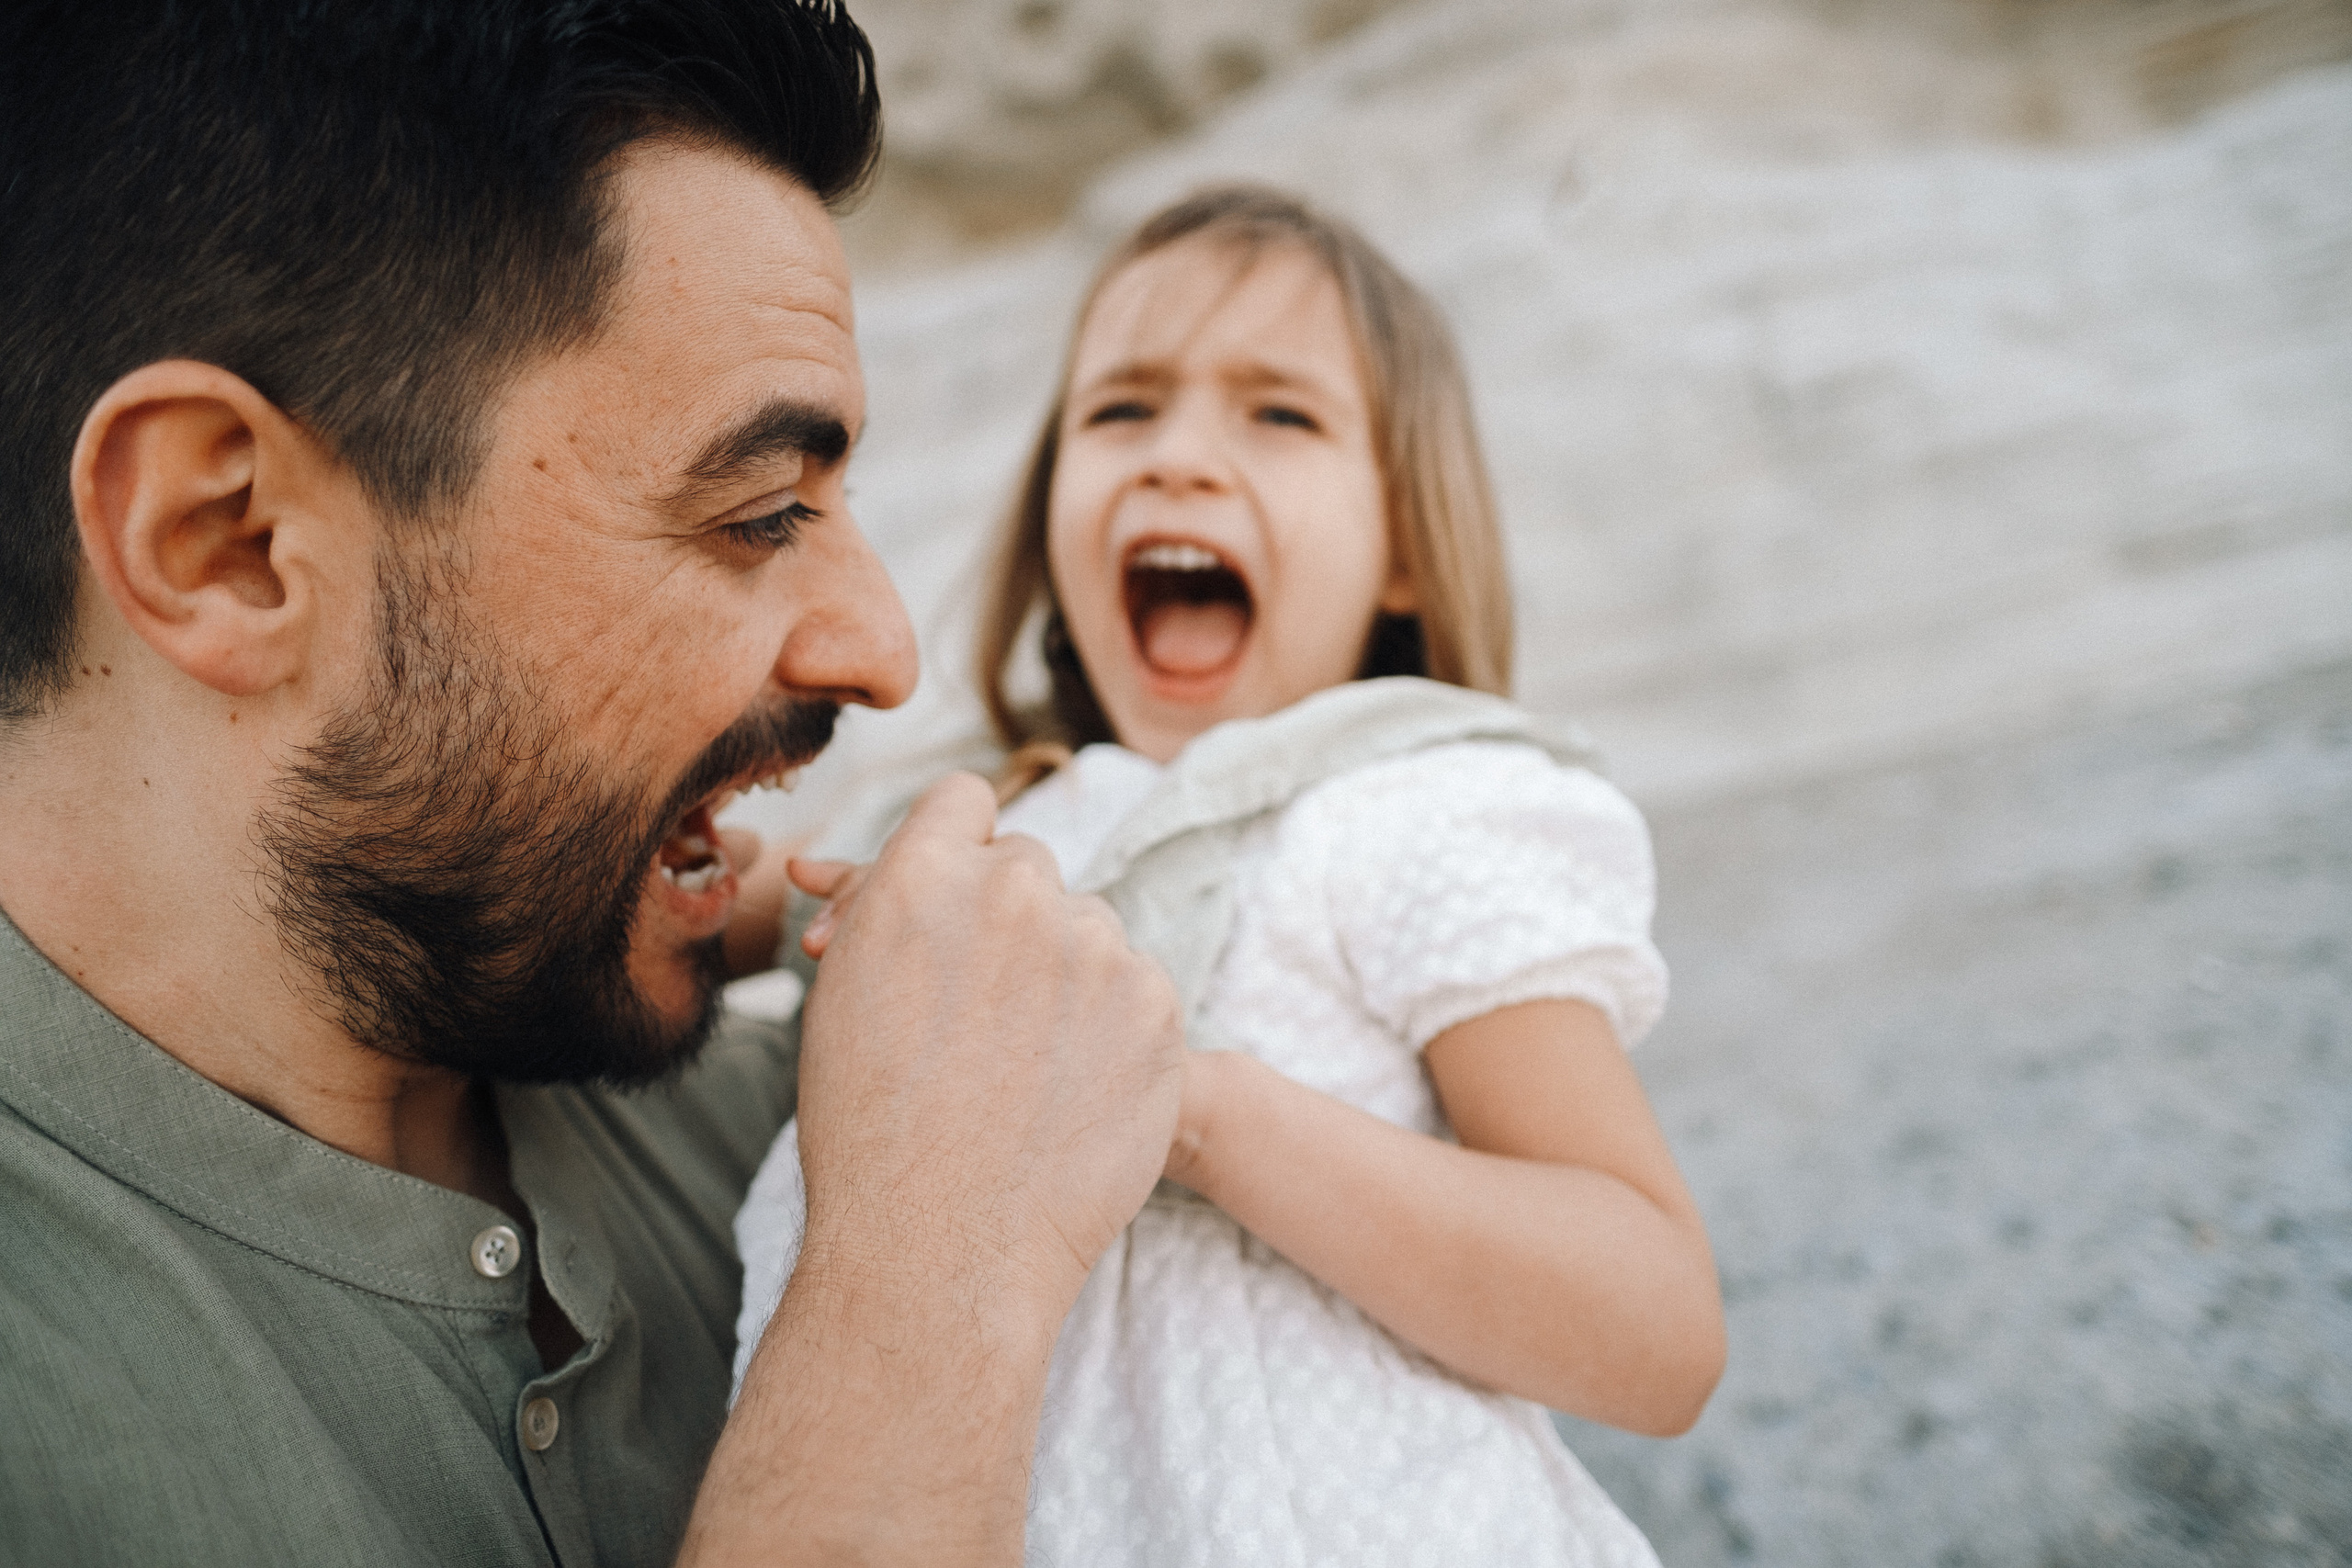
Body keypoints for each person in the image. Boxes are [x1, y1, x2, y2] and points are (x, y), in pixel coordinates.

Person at [0, 5, 1184, 1565]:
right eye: (756, 510)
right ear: (225, 540)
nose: (884, 651)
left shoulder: (822, 1120)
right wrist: (924, 1283)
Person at [731, 187, 1728, 1564]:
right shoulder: (970, 818)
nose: (1179, 459)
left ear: (1405, 556)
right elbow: (732, 898)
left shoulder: (1407, 808)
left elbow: (1659, 1328)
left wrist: (1198, 1111)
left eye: (1280, 415)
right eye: (1123, 409)